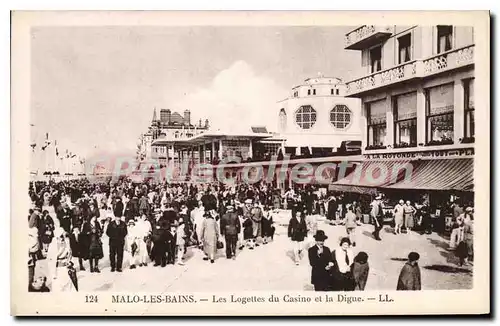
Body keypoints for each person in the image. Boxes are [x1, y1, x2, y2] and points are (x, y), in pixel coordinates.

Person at [47, 228, 77, 292]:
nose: (62, 238)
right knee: (58, 288)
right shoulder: (53, 245)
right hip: (57, 270)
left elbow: (70, 254)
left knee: (69, 288)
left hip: (66, 269)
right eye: (61, 236)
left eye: (63, 235)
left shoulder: (66, 242)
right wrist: (53, 274)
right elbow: (50, 261)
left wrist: (69, 262)